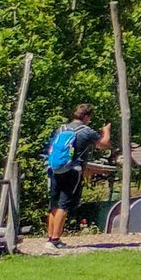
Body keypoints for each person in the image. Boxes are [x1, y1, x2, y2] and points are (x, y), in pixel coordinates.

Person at [44, 105, 108, 248]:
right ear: (86, 116)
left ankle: (49, 237)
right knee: (64, 205)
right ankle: (55, 239)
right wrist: (106, 131)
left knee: (53, 205)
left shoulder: (61, 129)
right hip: (72, 171)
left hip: (55, 169)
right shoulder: (86, 131)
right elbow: (103, 144)